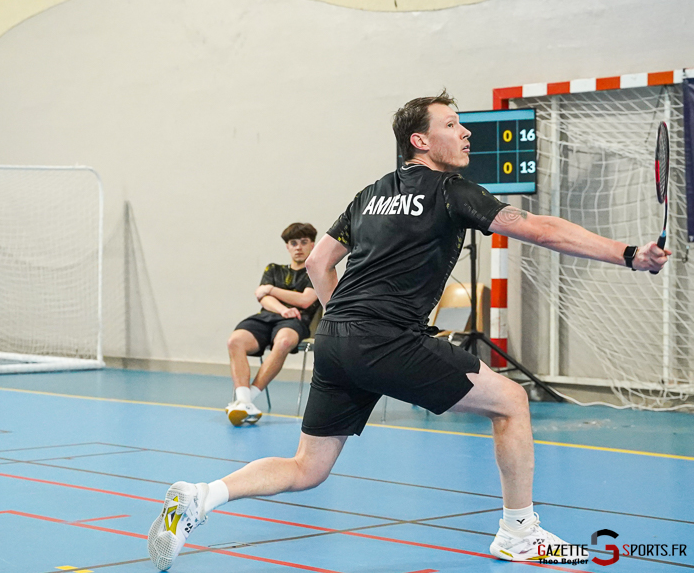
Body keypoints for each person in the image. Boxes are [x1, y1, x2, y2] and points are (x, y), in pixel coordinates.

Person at [147, 91, 671, 570]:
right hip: (388, 338)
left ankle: (202, 495)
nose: (465, 132)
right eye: (452, 124)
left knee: (307, 468)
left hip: (336, 338)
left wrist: (345, 320)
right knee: (511, 401)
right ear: (420, 141)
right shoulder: (452, 191)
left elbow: (320, 264)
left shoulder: (369, 194)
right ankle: (520, 533)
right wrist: (627, 253)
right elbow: (539, 229)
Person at [224, 222, 320, 426]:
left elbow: (305, 300)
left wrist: (271, 289)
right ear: (287, 247)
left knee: (284, 342)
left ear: (312, 245)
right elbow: (263, 298)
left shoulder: (316, 272)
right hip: (267, 318)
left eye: (304, 242)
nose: (298, 247)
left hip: (296, 322)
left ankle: (246, 401)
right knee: (235, 341)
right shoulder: (273, 269)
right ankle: (244, 401)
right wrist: (282, 309)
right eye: (293, 243)